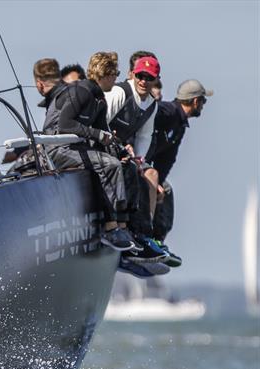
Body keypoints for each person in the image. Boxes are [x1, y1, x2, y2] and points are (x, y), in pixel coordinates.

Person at [45, 51, 138, 252]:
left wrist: (119, 149)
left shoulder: (99, 99)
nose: (116, 78)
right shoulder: (82, 91)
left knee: (122, 163)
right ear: (105, 74)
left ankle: (123, 226)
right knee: (109, 164)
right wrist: (97, 135)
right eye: (115, 73)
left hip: (75, 147)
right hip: (56, 148)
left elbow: (103, 131)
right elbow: (65, 124)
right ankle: (110, 228)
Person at [104, 55, 171, 266]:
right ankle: (124, 229)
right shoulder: (120, 93)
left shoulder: (151, 105)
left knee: (151, 174)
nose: (143, 81)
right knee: (129, 170)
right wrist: (121, 149)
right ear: (133, 74)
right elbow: (100, 122)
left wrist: (142, 162)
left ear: (155, 79)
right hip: (103, 146)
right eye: (140, 76)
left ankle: (145, 235)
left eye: (148, 78)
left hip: (123, 151)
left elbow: (144, 136)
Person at [147, 79, 213, 266]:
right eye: (203, 101)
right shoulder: (168, 111)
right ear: (195, 101)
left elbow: (167, 159)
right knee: (162, 189)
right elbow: (145, 116)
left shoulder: (180, 124)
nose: (203, 106)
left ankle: (157, 241)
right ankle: (145, 239)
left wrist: (159, 182)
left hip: (150, 169)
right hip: (137, 161)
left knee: (164, 189)